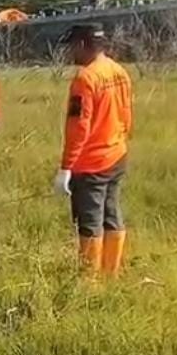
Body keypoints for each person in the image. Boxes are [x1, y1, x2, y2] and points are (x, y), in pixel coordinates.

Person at [53, 24, 133, 278]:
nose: (71, 53)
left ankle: (90, 283)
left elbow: (79, 127)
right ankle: (111, 273)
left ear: (84, 45)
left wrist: (66, 167)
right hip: (117, 154)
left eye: (73, 46)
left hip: (91, 164)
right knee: (112, 214)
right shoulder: (119, 72)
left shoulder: (85, 78)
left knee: (89, 222)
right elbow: (126, 115)